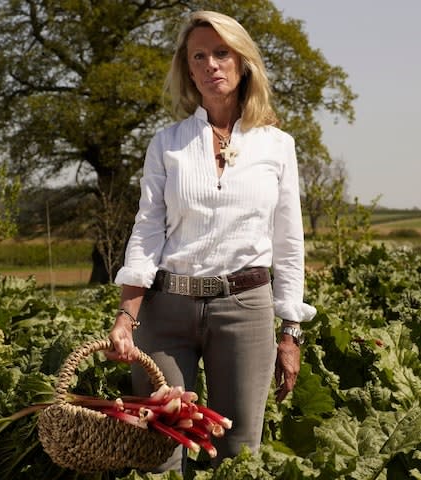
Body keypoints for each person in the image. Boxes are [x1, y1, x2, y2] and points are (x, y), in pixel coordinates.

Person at [107, 10, 316, 473]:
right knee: (160, 450)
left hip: (245, 309)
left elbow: (289, 243)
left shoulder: (277, 145)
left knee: (237, 455)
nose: (210, 65)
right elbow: (146, 230)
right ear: (187, 68)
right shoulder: (168, 143)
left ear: (243, 63)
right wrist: (127, 315)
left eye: (222, 53)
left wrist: (291, 330)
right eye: (198, 56)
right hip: (166, 310)